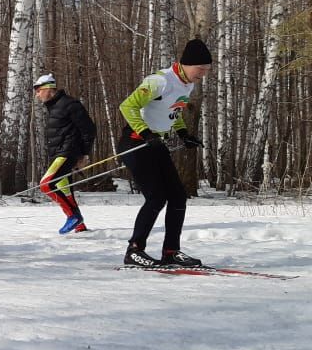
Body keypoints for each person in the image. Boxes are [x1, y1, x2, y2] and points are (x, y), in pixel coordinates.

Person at [118, 38, 211, 267]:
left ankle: (171, 251)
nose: (203, 75)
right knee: (156, 196)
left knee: (178, 196)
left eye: (206, 70)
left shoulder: (187, 83)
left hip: (155, 143)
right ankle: (134, 250)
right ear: (187, 64)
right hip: (135, 142)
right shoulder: (159, 81)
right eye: (200, 69)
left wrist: (183, 134)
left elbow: (174, 111)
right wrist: (146, 133)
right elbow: (127, 106)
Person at [33, 73, 96, 234]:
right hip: (57, 154)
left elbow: (88, 129)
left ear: (48, 89)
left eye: (38, 90)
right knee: (65, 190)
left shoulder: (69, 104)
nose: (37, 94)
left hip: (67, 152)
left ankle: (73, 216)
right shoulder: (53, 107)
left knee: (46, 184)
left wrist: (83, 154)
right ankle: (80, 227)